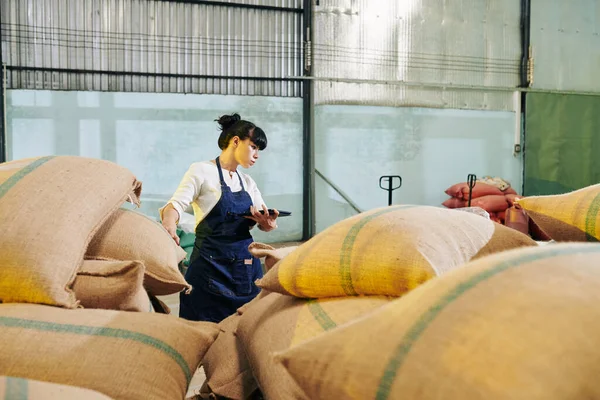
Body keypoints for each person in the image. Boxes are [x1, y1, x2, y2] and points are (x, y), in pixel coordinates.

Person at [160, 113, 278, 322]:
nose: (257, 154)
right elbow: (175, 204)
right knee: (202, 332)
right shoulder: (202, 171)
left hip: (245, 268)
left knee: (244, 328)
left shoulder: (247, 182)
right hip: (209, 268)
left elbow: (265, 222)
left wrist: (267, 223)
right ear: (235, 141)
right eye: (254, 147)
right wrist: (169, 224)